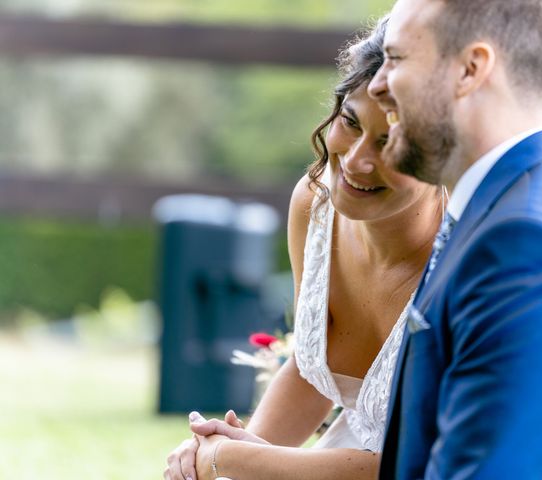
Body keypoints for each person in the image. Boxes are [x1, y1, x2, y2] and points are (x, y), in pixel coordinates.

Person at [367, 0, 542, 478]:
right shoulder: (516, 211)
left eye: (397, 58)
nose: (377, 85)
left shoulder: (529, 247)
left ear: (470, 69)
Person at [164, 17, 443, 480]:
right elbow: (314, 368)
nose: (355, 161)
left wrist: (235, 459)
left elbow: (413, 463)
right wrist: (234, 460)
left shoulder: (464, 258)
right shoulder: (314, 202)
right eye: (350, 122)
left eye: (389, 143)